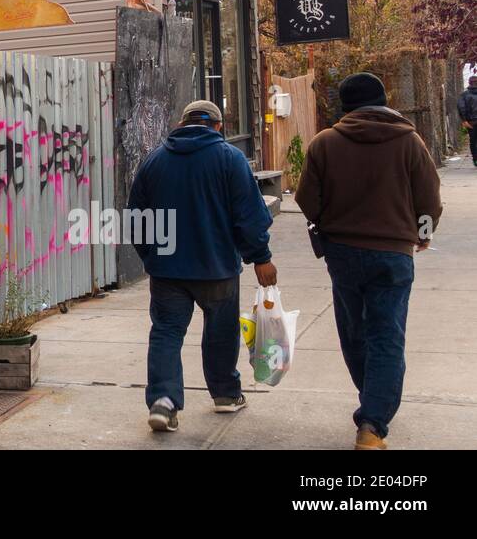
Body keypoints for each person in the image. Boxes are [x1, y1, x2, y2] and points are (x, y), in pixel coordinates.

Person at [297, 72, 442, 450]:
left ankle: (374, 402)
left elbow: (306, 199)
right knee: (386, 334)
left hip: (342, 253)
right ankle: (373, 421)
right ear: (385, 99)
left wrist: (326, 225)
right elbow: (429, 200)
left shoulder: (324, 143)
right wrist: (422, 233)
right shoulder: (410, 142)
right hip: (393, 253)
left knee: (354, 333)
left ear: (344, 106)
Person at [129, 100, 276, 433]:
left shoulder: (155, 161)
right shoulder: (230, 159)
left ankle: (163, 403)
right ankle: (225, 394)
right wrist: (260, 257)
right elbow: (249, 218)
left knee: (166, 332)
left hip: (167, 271)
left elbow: (136, 218)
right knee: (220, 332)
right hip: (217, 267)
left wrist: (151, 255)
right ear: (218, 126)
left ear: (182, 123)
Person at [459, 74, 477, 168]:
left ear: (469, 83)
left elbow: (461, 107)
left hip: (471, 122)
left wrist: (464, 120)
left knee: (473, 141)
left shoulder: (464, 95)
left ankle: (475, 159)